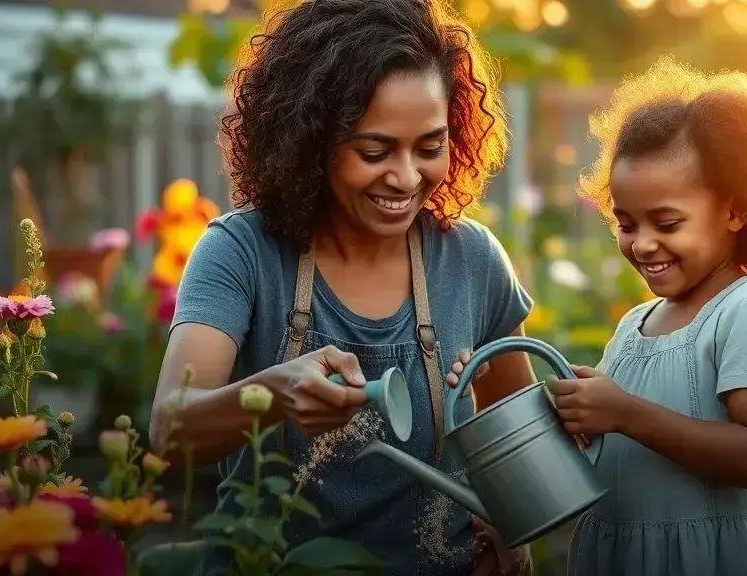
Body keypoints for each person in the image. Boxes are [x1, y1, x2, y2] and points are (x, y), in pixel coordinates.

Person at [147, 1, 537, 574]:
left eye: (429, 147)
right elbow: (170, 428)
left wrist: (511, 527)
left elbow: (521, 447)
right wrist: (274, 393)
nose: (406, 178)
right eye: (374, 151)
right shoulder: (243, 253)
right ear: (311, 141)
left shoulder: (472, 260)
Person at [454, 56, 747, 575]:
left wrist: (625, 414)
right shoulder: (635, 326)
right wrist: (575, 417)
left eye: (668, 222)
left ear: (735, 210)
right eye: (626, 222)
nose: (643, 243)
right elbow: (620, 443)